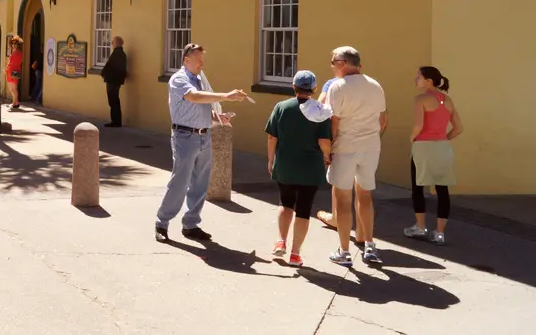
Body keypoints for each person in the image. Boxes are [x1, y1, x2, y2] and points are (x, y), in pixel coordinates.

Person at [155, 44, 249, 243]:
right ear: (186, 60)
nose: (202, 64)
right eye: (198, 61)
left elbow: (201, 107)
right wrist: (225, 95)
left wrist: (218, 117)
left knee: (200, 184)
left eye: (203, 61)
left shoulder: (199, 79)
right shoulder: (179, 79)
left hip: (204, 136)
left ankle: (191, 224)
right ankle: (162, 223)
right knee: (180, 182)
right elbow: (194, 97)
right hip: (185, 137)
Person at [317, 46, 387, 267]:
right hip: (370, 146)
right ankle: (369, 245)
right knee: (365, 196)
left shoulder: (338, 87)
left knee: (343, 199)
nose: (332, 67)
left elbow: (333, 121)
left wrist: (329, 150)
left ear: (342, 63)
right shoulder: (375, 85)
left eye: (333, 62)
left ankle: (344, 251)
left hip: (345, 147)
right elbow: (383, 120)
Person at [265, 70, 333, 268]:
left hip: (285, 163)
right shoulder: (321, 110)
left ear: (293, 87)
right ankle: (295, 254)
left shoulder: (282, 107)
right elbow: (324, 141)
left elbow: (272, 137)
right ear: (314, 89)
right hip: (310, 167)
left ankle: (280, 241)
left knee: (285, 202)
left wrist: (271, 160)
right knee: (303, 209)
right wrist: (327, 157)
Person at [405, 66, 463, 245]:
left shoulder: (421, 99)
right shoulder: (448, 100)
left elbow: (418, 125)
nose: (416, 80)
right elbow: (459, 128)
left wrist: (412, 138)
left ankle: (420, 227)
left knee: (418, 187)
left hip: (423, 147)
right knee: (442, 190)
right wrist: (443, 138)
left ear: (428, 81)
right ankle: (439, 233)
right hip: (443, 148)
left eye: (419, 77)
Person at [101, 36, 128, 127]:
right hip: (114, 80)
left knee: (113, 100)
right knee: (113, 100)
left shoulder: (118, 54)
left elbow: (111, 67)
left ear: (116, 43)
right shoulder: (119, 53)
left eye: (113, 42)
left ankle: (116, 121)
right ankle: (116, 121)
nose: (112, 43)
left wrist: (104, 73)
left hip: (113, 81)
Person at [6, 36, 24, 109]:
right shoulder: (19, 53)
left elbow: (12, 63)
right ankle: (16, 102)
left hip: (11, 71)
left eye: (15, 43)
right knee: (13, 88)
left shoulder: (16, 53)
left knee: (12, 89)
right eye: (13, 43)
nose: (14, 45)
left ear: (18, 44)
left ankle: (14, 103)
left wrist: (6, 69)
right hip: (16, 70)